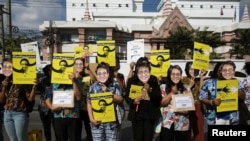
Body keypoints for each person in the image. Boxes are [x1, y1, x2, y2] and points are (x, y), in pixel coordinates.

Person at [45, 58, 83, 141]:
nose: (63, 68)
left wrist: (74, 81)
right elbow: (47, 98)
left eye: (65, 66)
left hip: (73, 116)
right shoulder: (54, 82)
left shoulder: (78, 81)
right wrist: (51, 108)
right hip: (58, 115)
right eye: (61, 66)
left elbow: (78, 98)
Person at [0, 58, 37, 141]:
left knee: (21, 139)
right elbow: (1, 101)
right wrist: (3, 87)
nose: (7, 69)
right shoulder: (2, 81)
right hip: (7, 114)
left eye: (10, 67)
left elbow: (30, 99)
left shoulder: (22, 80)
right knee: (13, 139)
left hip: (19, 114)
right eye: (5, 67)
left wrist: (34, 86)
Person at [87, 62, 124, 141]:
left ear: (108, 73)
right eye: (99, 73)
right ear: (96, 75)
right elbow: (89, 103)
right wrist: (91, 119)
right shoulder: (92, 87)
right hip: (97, 121)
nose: (102, 75)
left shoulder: (115, 84)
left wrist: (108, 93)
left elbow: (121, 100)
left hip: (112, 122)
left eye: (104, 73)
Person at [199, 61, 245, 125]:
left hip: (232, 117)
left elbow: (243, 97)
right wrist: (212, 102)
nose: (227, 72)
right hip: (214, 117)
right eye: (224, 70)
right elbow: (201, 98)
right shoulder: (209, 83)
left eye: (230, 70)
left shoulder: (236, 82)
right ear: (219, 71)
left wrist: (236, 92)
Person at [125, 62, 162, 141]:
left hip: (150, 114)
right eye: (141, 72)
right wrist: (133, 101)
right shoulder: (132, 81)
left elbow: (158, 97)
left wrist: (150, 90)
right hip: (136, 113)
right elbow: (126, 96)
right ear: (137, 72)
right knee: (138, 137)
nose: (143, 74)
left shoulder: (153, 80)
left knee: (148, 138)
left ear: (149, 72)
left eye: (146, 71)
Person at [159, 65, 191, 141]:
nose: (175, 76)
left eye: (178, 74)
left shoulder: (186, 88)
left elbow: (189, 109)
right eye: (173, 74)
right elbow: (162, 103)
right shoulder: (163, 87)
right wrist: (172, 92)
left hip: (182, 123)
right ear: (169, 75)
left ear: (181, 76)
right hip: (167, 122)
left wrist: (183, 110)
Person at [182, 62, 205, 141]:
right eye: (191, 69)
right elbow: (182, 94)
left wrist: (201, 76)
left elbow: (201, 92)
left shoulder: (199, 80)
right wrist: (190, 86)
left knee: (199, 130)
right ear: (187, 70)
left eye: (195, 69)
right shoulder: (183, 80)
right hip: (187, 108)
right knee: (186, 130)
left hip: (198, 107)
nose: (193, 71)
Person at [37, 64, 58, 141]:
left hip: (56, 106)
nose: (52, 71)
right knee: (46, 127)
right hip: (44, 108)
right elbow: (38, 89)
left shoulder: (58, 80)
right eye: (50, 70)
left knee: (57, 127)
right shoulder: (42, 80)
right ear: (47, 71)